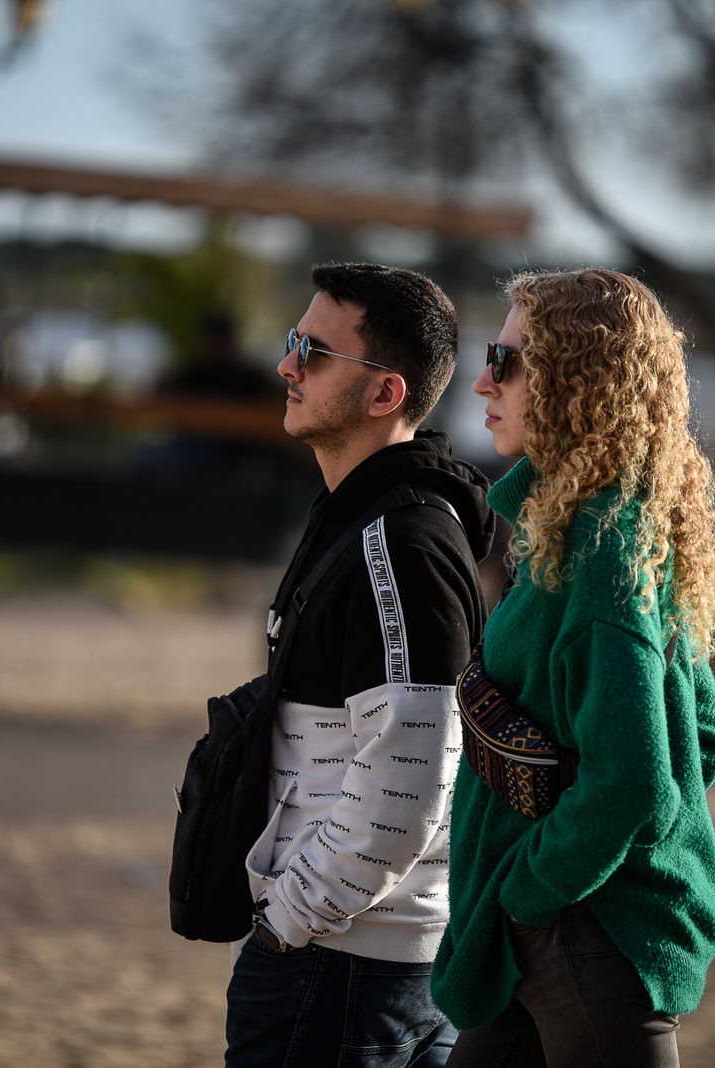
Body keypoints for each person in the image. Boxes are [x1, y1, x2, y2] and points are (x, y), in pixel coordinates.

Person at [434, 268, 715, 1066]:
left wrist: (535, 888)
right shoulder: (587, 526)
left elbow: (639, 777)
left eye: (507, 361)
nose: (482, 380)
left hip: (582, 934)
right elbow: (701, 736)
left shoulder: (601, 547)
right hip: (548, 933)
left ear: (580, 378)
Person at [225, 262, 496, 1067]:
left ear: (385, 395)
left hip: (344, 969)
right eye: (290, 343)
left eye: (311, 351)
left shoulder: (400, 541)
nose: (286, 366)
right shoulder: (371, 518)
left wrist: (287, 924)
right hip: (377, 963)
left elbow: (411, 773)